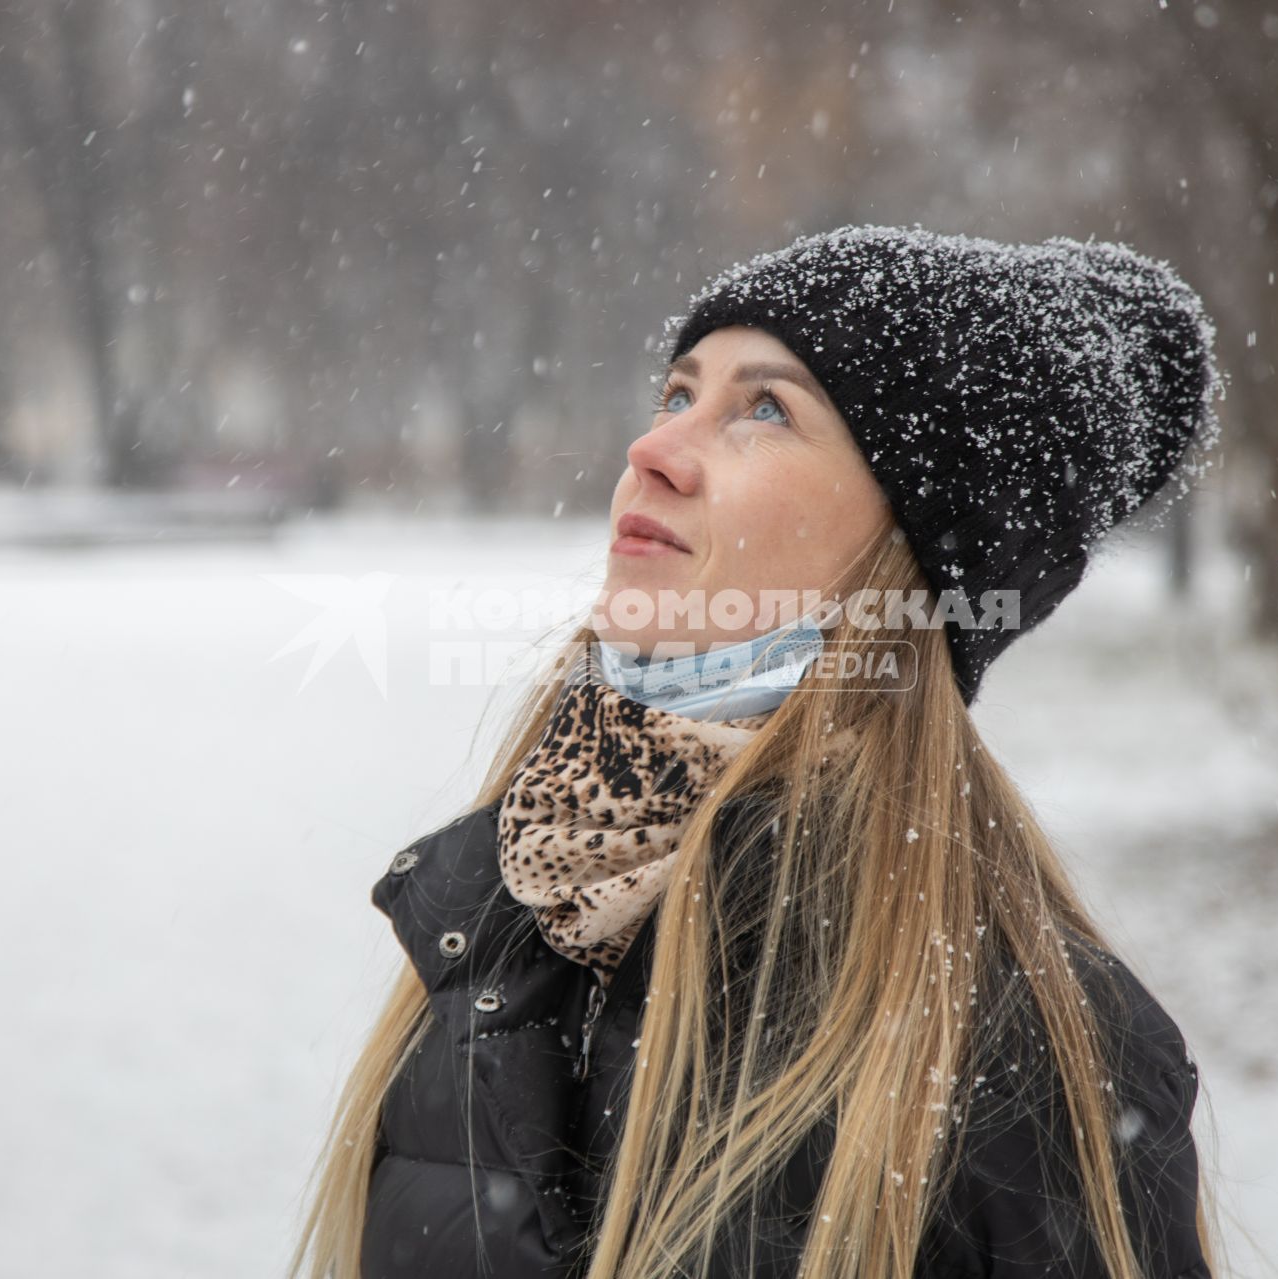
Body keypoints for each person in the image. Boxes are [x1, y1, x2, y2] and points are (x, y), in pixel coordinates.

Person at [289, 224, 1228, 1279]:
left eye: (766, 409)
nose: (655, 451)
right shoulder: (507, 913)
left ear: (907, 555)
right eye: (679, 394)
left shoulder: (1022, 1057)